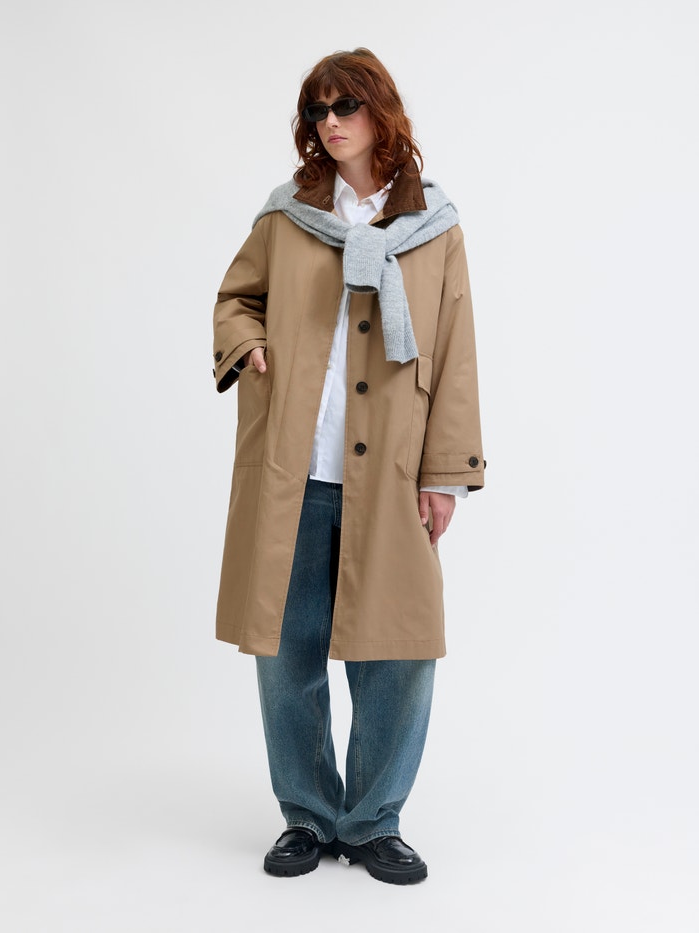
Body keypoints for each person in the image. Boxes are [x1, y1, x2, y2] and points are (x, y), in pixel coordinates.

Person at [212, 47, 485, 885]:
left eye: (345, 107)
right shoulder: (288, 215)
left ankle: (372, 820)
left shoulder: (433, 226)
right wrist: (248, 345)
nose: (330, 122)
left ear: (380, 111)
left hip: (393, 473)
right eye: (318, 110)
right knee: (287, 654)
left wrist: (444, 473)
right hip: (293, 469)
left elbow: (455, 352)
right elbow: (236, 298)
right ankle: (307, 813)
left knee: (397, 652)